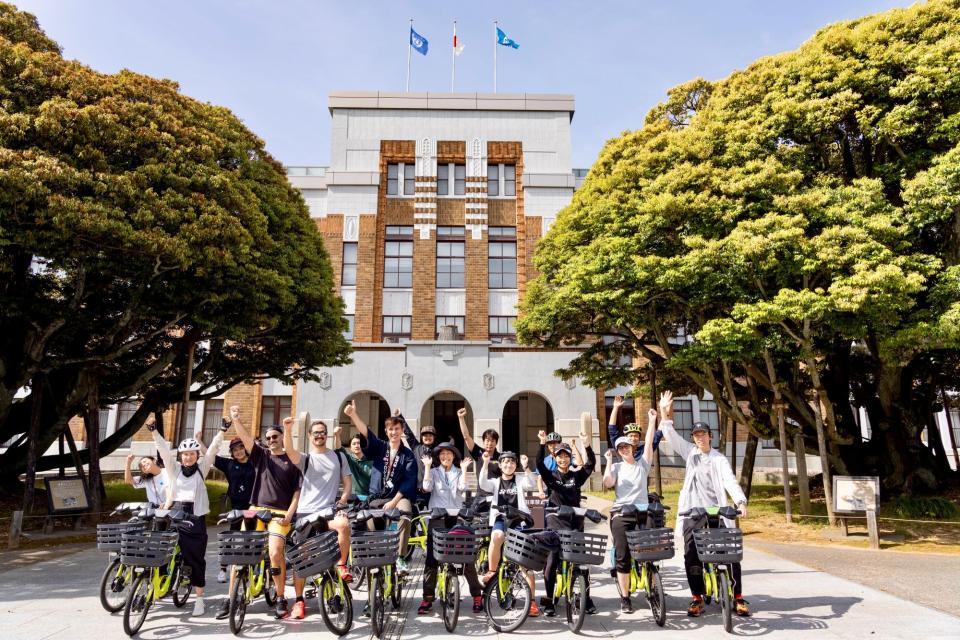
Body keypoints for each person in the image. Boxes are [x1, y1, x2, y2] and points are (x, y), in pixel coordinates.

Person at [656, 391, 750, 617]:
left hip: (717, 511)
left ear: (710, 436)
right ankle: (697, 597)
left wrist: (739, 501)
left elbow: (729, 480)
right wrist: (663, 411)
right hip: (693, 512)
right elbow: (669, 434)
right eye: (696, 435)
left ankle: (737, 596)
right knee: (691, 555)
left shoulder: (719, 458)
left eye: (703, 434)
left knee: (729, 553)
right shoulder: (690, 453)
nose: (699, 438)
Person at [148, 414, 225, 617]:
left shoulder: (202, 469)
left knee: (195, 558)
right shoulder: (174, 469)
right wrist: (154, 430)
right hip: (174, 511)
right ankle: (159, 583)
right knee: (161, 549)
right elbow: (164, 451)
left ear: (197, 455)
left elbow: (214, 450)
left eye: (192, 454)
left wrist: (222, 430)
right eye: (184, 454)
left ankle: (199, 599)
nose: (188, 457)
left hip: (194, 516)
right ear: (180, 456)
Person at [230, 406, 302, 619]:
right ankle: (230, 598)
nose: (271, 440)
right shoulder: (261, 456)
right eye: (268, 437)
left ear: (282, 438)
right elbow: (246, 438)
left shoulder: (294, 461)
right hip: (256, 510)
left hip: (280, 513)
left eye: (275, 437)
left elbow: (297, 492)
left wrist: (289, 514)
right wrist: (236, 418)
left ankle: (280, 597)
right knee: (239, 552)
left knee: (275, 553)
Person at [284, 418, 354, 619]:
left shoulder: (339, 457)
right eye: (315, 432)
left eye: (322, 432)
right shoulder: (306, 459)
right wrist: (288, 430)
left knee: (343, 524)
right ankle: (299, 601)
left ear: (327, 434)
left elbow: (347, 483)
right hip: (306, 513)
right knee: (302, 559)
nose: (319, 435)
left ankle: (342, 565)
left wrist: (342, 500)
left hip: (327, 512)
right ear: (309, 436)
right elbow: (289, 452)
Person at [344, 400, 417, 574]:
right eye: (391, 429)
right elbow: (366, 433)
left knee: (405, 514)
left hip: (398, 497)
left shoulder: (407, 455)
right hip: (377, 496)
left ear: (402, 431)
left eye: (397, 429)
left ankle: (400, 558)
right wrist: (353, 415)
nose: (394, 432)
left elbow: (409, 479)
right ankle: (374, 556)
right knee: (367, 519)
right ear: (386, 431)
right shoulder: (380, 447)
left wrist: (395, 501)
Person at [536, 413, 597, 617]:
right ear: (555, 458)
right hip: (555, 521)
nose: (563, 459)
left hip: (574, 521)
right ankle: (550, 599)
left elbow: (590, 466)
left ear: (570, 458)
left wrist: (587, 445)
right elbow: (539, 465)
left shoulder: (575, 477)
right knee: (552, 560)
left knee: (582, 562)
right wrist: (542, 444)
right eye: (560, 456)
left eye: (566, 456)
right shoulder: (551, 477)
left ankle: (586, 598)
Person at [417, 444, 484, 615]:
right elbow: (426, 487)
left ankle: (477, 595)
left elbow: (463, 489)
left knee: (466, 556)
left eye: (449, 454)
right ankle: (428, 597)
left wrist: (464, 469)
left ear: (454, 456)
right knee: (432, 558)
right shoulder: (432, 471)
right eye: (442, 454)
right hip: (437, 518)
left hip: (457, 517)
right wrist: (426, 466)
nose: (445, 456)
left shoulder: (461, 472)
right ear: (438, 457)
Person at [604, 408, 658, 614]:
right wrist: (609, 462)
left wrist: (652, 420)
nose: (625, 449)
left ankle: (653, 585)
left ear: (633, 447)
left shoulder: (643, 464)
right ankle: (625, 597)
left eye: (628, 446)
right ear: (618, 451)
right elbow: (608, 483)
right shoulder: (617, 467)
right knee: (623, 556)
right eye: (621, 448)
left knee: (651, 550)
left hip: (643, 512)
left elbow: (650, 443)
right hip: (621, 513)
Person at [478, 449, 540, 616]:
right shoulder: (496, 482)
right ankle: (492, 571)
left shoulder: (519, 480)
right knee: (497, 536)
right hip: (500, 519)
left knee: (524, 563)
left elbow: (532, 484)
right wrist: (485, 462)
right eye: (505, 462)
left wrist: (527, 467)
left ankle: (533, 602)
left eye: (512, 462)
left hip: (519, 520)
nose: (509, 464)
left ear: (515, 465)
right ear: (500, 465)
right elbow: (483, 483)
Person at [213, 431, 255, 586]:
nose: (238, 451)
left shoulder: (255, 462)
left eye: (241, 448)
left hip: (252, 505)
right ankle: (223, 568)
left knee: (252, 534)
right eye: (235, 450)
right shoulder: (229, 464)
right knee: (231, 534)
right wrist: (200, 442)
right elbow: (210, 455)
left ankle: (251, 565)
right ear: (232, 452)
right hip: (236, 505)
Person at [458, 407, 500, 492]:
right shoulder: (478, 452)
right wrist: (461, 418)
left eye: (492, 441)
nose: (490, 443)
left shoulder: (501, 457)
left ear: (496, 443)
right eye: (487, 440)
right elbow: (466, 437)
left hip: (496, 495)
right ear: (483, 441)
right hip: (481, 496)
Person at [398, 409, 435, 501]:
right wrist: (400, 417)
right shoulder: (416, 447)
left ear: (434, 437)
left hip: (432, 492)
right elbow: (408, 434)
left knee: (431, 515)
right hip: (415, 490)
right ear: (422, 437)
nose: (427, 437)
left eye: (430, 435)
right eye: (425, 435)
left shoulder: (438, 452)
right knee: (415, 514)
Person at [334, 426, 377, 501]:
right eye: (354, 444)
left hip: (369, 499)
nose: (357, 446)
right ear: (350, 447)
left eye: (359, 443)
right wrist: (337, 435)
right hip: (351, 498)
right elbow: (338, 449)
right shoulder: (348, 459)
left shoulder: (372, 460)